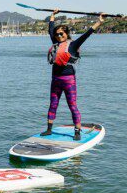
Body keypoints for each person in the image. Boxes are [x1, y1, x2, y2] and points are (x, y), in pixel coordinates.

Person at [42, 9, 106, 140]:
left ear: (66, 34)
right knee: (53, 103)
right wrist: (53, 16)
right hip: (55, 80)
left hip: (68, 80)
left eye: (61, 34)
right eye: (57, 34)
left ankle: (77, 131)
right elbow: (50, 29)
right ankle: (49, 129)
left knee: (72, 105)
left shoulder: (73, 44)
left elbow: (87, 34)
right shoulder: (55, 44)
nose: (58, 36)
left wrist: (99, 22)